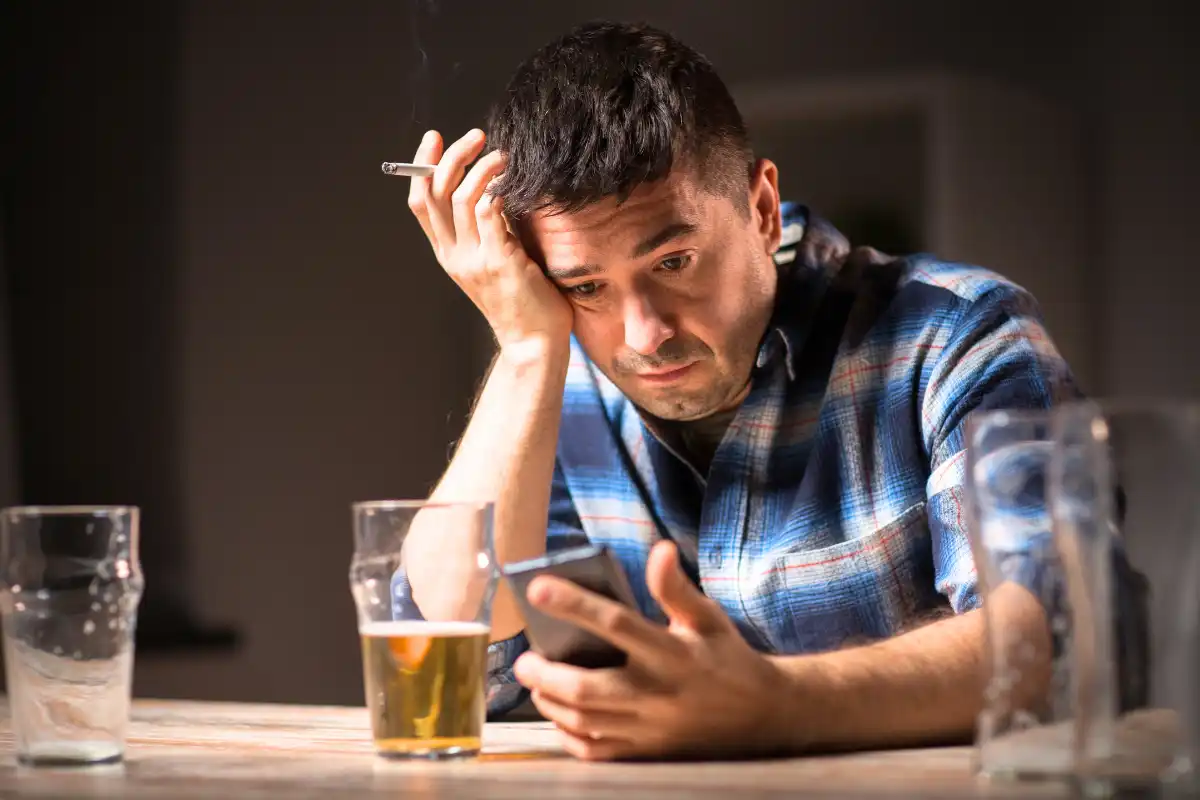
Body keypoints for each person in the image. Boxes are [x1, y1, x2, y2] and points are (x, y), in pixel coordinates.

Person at [398, 21, 1137, 761]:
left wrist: (777, 703)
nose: (643, 335)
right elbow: (453, 658)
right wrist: (526, 348)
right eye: (586, 286)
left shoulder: (957, 335)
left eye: (674, 260)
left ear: (760, 208)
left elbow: (1060, 636)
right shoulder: (552, 376)